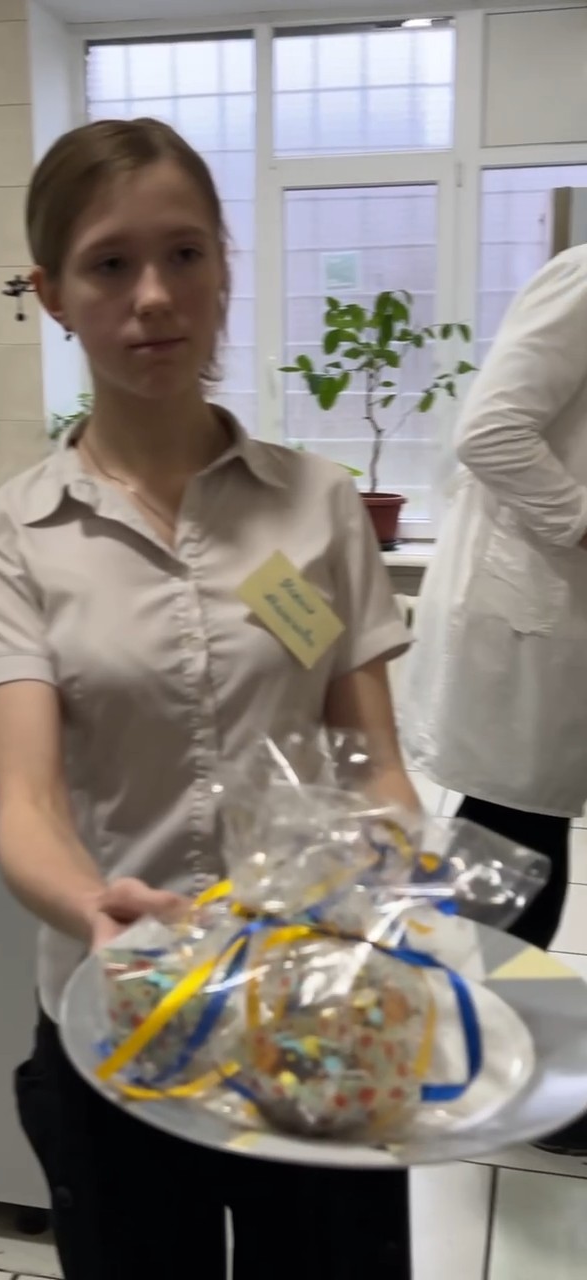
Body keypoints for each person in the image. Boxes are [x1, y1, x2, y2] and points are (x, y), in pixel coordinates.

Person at [0, 118, 418, 1280]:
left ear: (224, 267)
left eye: (184, 254)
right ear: (53, 295)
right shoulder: (13, 535)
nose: (154, 296)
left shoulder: (317, 505)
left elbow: (376, 765)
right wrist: (96, 908)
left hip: (307, 1000)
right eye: (110, 264)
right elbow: (28, 803)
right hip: (121, 1010)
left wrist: (388, 885)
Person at [401, 245, 587, 1152]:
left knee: (520, 844)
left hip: (553, 621)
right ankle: (484, 1069)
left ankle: (474, 1054)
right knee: (516, 847)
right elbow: (491, 431)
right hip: (526, 620)